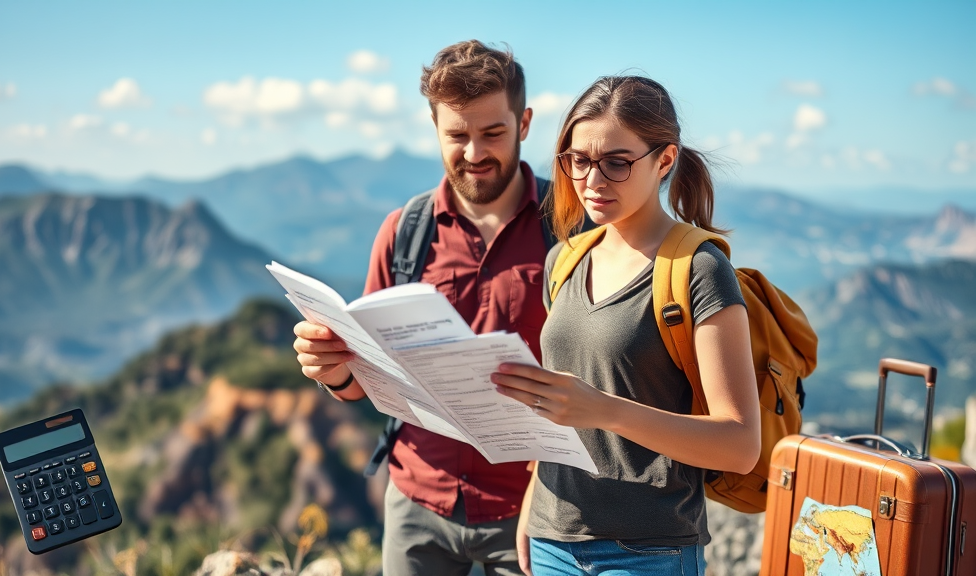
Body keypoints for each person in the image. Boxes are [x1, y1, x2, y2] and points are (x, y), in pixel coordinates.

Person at [292, 40, 549, 576]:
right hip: (415, 503)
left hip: (532, 509)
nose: (474, 153)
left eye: (493, 133)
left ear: (524, 123)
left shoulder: (570, 233)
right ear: (434, 128)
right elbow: (366, 380)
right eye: (457, 135)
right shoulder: (403, 233)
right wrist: (333, 371)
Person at [491, 76, 761, 576]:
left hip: (648, 551)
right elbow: (557, 411)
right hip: (553, 538)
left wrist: (602, 410)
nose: (593, 181)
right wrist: (533, 503)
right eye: (578, 160)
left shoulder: (698, 268)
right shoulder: (565, 261)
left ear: (664, 159)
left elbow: (740, 445)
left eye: (617, 162)